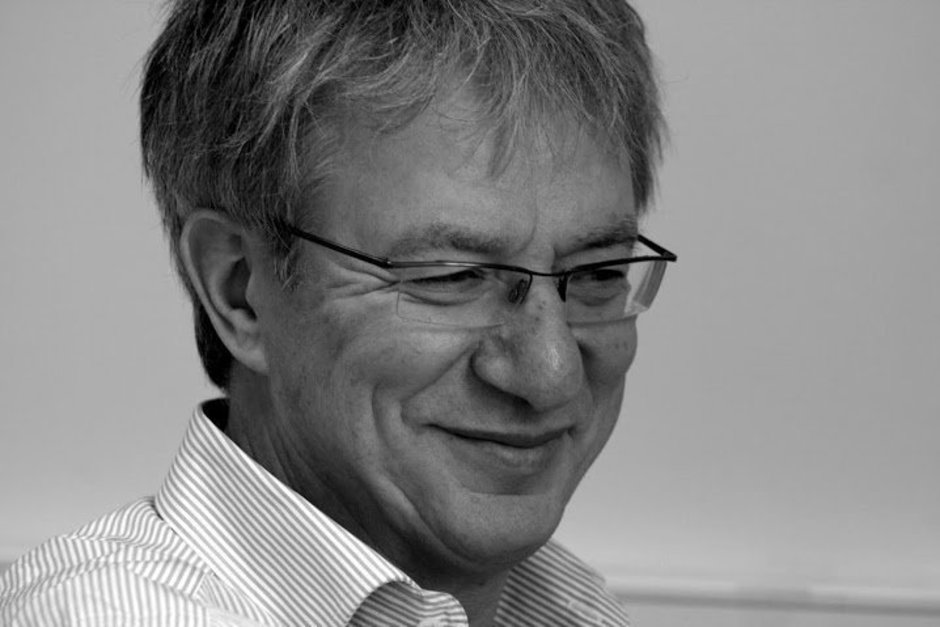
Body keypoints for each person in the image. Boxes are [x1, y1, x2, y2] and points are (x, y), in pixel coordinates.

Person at [0, 1, 674, 624]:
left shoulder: (573, 609)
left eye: (598, 274)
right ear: (240, 291)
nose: (552, 372)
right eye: (453, 276)